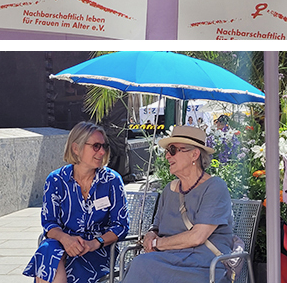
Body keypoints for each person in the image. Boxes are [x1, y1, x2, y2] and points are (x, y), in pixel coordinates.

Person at [121, 126, 233, 283]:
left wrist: (157, 243)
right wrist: (151, 234)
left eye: (173, 150)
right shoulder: (170, 189)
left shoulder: (215, 187)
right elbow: (156, 226)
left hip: (202, 264)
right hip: (169, 258)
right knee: (142, 264)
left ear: (194, 154)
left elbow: (197, 237)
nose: (167, 156)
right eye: (167, 150)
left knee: (142, 265)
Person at [23, 121, 129, 283]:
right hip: (63, 246)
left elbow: (120, 226)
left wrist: (95, 243)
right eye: (95, 146)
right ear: (76, 148)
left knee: (50, 264)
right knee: (48, 250)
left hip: (98, 251)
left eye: (104, 146)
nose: (102, 152)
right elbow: (49, 224)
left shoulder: (112, 181)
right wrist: (66, 240)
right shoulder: (56, 180)